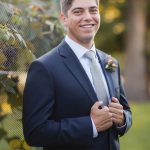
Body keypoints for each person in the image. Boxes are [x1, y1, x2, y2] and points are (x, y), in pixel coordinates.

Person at [23, 0, 132, 150]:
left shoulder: (111, 63)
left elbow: (126, 111)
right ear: (64, 19)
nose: (88, 17)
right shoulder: (44, 67)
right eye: (78, 11)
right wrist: (91, 125)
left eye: (93, 10)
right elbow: (34, 132)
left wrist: (122, 119)